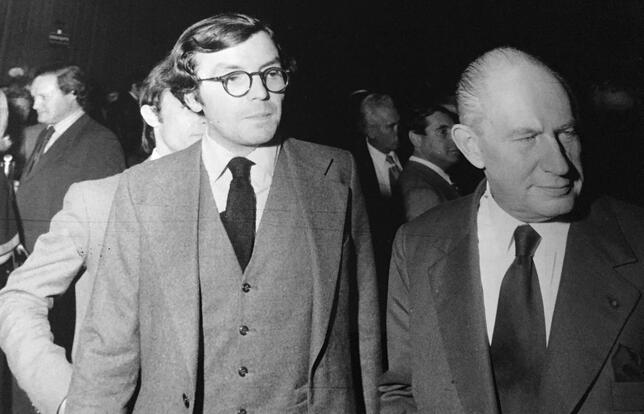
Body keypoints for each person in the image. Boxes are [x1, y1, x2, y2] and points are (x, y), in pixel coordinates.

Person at [66, 13, 380, 414]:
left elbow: (365, 331)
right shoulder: (143, 189)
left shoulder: (336, 173)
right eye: (233, 78)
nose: (260, 93)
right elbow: (108, 347)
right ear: (193, 97)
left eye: (271, 73)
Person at [380, 47, 644, 413]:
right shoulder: (417, 245)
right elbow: (401, 390)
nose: (560, 164)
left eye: (567, 132)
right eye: (527, 138)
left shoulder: (635, 238)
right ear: (472, 147)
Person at [0, 60, 205, 414]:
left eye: (43, 96)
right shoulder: (42, 140)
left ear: (72, 95)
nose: (34, 105)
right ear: (151, 114)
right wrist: (64, 397)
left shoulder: (99, 142)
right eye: (192, 106)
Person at [351, 92, 404, 342]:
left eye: (398, 123)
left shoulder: (411, 154)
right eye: (390, 127)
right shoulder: (353, 166)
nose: (398, 132)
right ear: (370, 131)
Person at [399, 104, 461, 221]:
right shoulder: (421, 191)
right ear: (416, 139)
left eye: (454, 131)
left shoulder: (427, 178)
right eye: (443, 132)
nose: (454, 139)